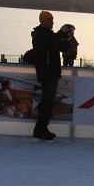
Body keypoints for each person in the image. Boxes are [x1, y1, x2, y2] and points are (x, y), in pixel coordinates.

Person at [30, 11, 67, 140]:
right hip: (47, 73)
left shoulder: (51, 35)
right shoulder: (38, 34)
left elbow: (61, 47)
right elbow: (47, 44)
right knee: (47, 102)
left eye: (52, 19)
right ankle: (39, 130)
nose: (52, 22)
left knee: (49, 103)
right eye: (49, 19)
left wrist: (67, 37)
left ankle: (43, 129)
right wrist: (61, 33)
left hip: (53, 72)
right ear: (42, 21)